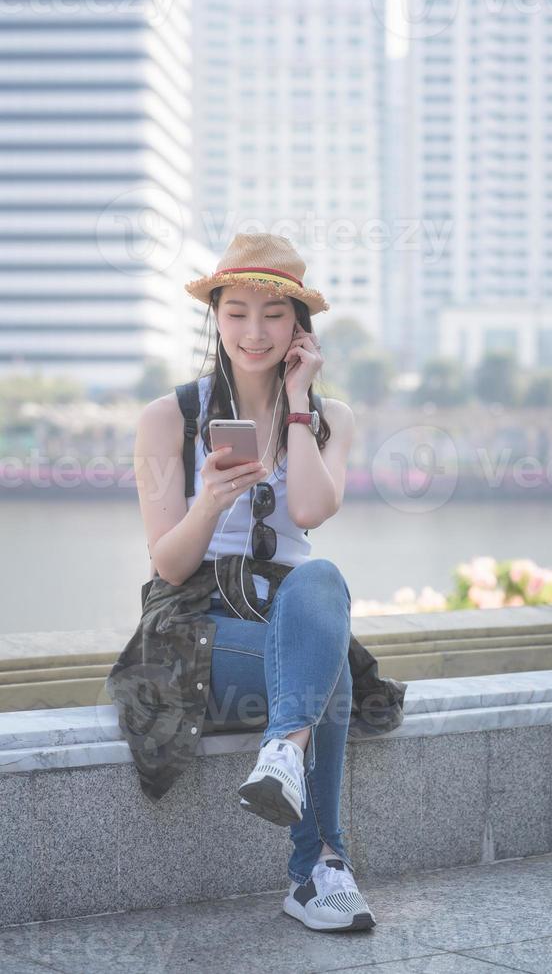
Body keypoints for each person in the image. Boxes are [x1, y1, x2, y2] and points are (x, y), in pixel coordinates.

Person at [135, 233, 376, 932]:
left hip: (290, 617)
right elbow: (169, 565)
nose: (253, 331)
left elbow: (307, 512)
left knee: (319, 578)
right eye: (235, 311)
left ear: (300, 327)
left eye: (273, 315)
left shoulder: (332, 420)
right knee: (328, 676)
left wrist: (298, 404)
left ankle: (281, 755)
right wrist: (209, 499)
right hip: (197, 626)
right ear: (215, 316)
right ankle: (320, 869)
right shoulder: (170, 419)